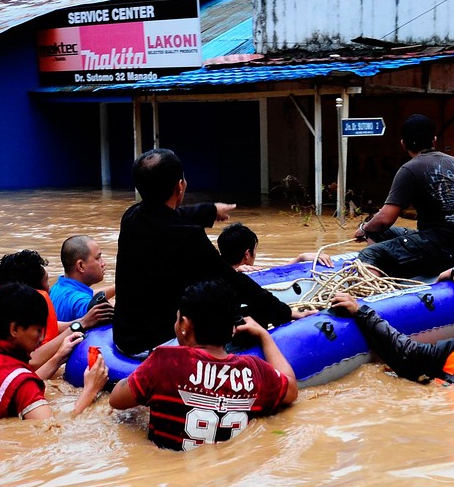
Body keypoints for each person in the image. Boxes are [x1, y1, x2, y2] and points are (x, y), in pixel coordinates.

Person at [113, 149, 308, 357]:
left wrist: (210, 211)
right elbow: (232, 281)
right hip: (158, 343)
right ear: (180, 186)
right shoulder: (188, 237)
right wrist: (286, 312)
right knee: (253, 311)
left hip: (124, 339)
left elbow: (171, 216)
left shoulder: (131, 217)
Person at [109, 280, 298, 450]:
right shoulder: (256, 371)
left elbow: (116, 401)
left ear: (185, 324)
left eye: (177, 319)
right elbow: (291, 390)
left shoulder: (164, 362)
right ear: (233, 328)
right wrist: (264, 335)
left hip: (170, 473)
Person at [0, 283, 107, 420]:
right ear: (14, 329)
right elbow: (53, 427)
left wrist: (58, 357)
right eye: (38, 330)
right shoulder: (23, 386)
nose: (42, 337)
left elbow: (15, 386)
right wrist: (90, 390)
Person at [354, 114, 454, 277]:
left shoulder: (409, 169)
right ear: (434, 140)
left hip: (439, 250)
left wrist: (363, 229)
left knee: (370, 254)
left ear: (403, 144)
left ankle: (371, 289)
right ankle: (386, 270)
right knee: (377, 232)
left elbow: (384, 219)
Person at [216, 222, 333, 273]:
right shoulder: (249, 276)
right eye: (255, 249)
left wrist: (300, 258)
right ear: (247, 254)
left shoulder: (212, 272)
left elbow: (276, 271)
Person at [50, 235, 116, 324]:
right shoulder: (80, 302)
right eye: (98, 258)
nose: (103, 263)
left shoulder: (58, 288)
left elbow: (91, 295)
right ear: (80, 266)